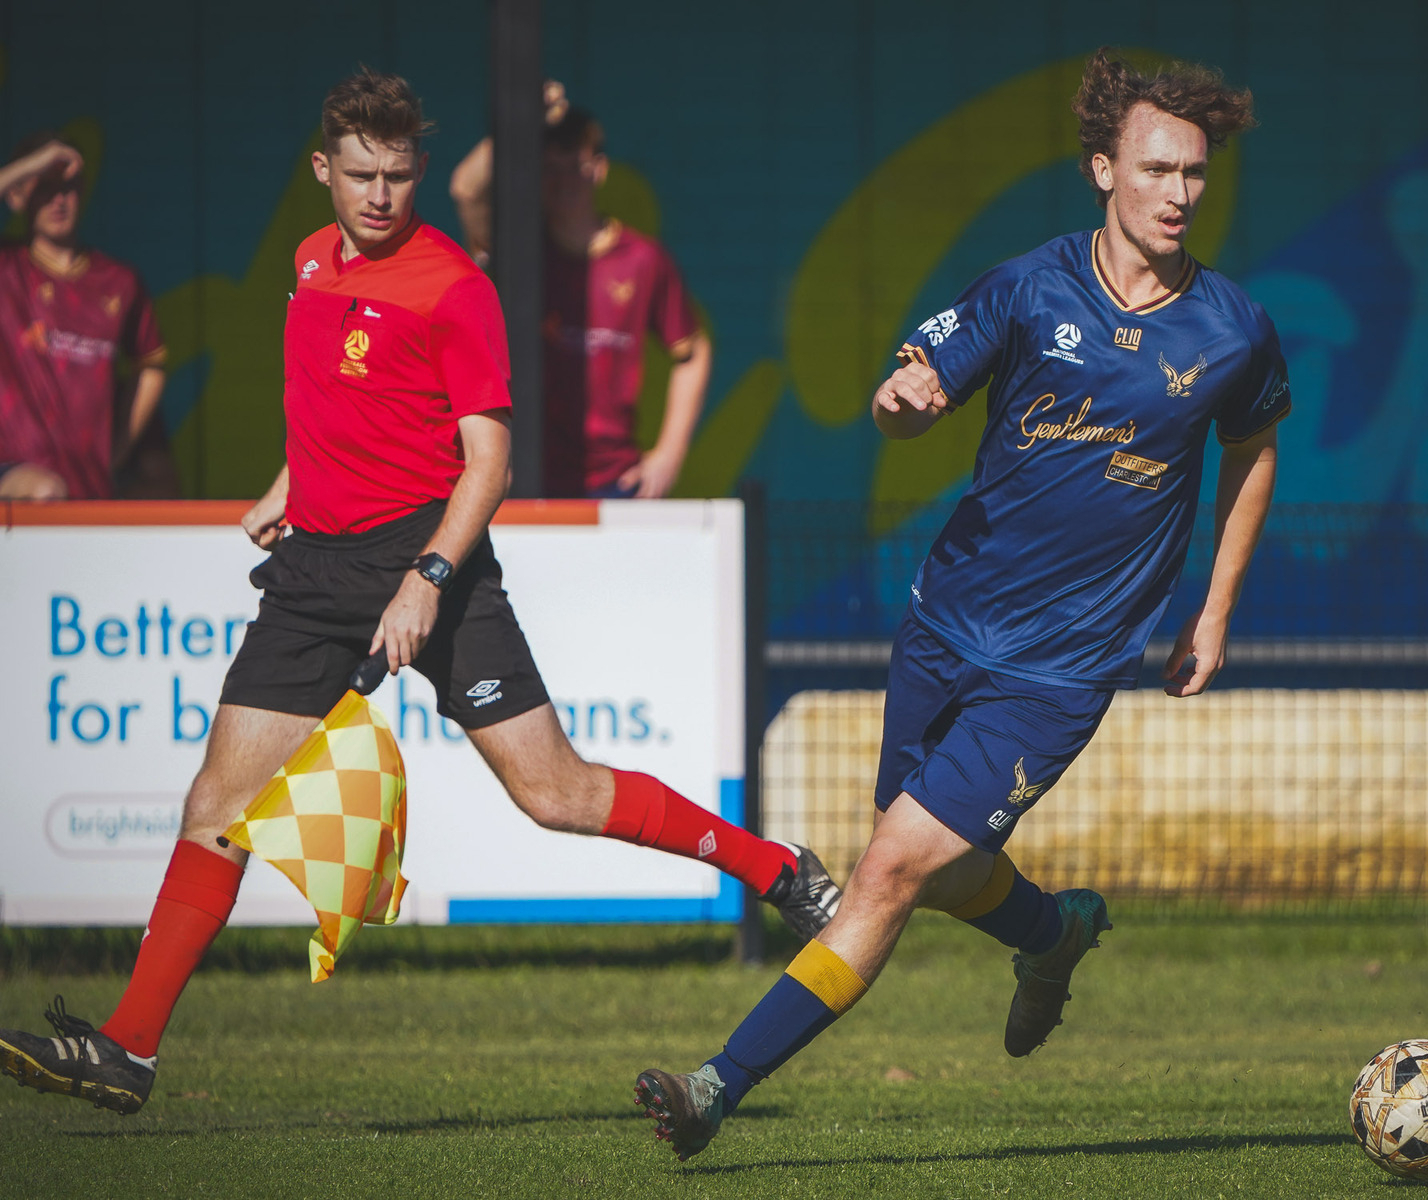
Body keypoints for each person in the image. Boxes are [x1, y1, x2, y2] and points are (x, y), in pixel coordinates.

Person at [0, 69, 837, 1118]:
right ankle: (127, 1050)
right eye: (360, 175)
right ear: (324, 171)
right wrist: (285, 484)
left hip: (430, 558)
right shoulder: (308, 263)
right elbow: (336, 408)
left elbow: (485, 460)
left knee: (554, 795)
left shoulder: (454, 286)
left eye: (398, 176)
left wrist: (429, 579)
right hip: (311, 573)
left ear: (419, 173)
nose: (380, 195)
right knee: (214, 805)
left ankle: (777, 870)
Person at [633, 49, 1289, 1160]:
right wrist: (902, 402)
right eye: (1156, 168)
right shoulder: (1028, 287)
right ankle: (1051, 929)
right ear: (1101, 171)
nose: (1178, 193)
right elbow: (909, 392)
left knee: (889, 869)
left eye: (1194, 173)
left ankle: (714, 1086)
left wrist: (1212, 608)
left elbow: (1253, 451)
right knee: (933, 871)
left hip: (1058, 670)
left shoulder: (1230, 328)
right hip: (944, 625)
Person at [449, 83, 709, 498]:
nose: (564, 179)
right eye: (550, 168)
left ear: (599, 168)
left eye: (575, 164)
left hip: (614, 480)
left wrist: (669, 455)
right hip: (525, 474)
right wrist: (523, 118)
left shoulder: (642, 259)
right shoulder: (519, 252)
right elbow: (466, 188)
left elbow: (692, 353)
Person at [0, 134, 167, 500]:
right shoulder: (7, 268)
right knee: (45, 491)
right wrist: (36, 162)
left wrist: (117, 449)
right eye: (44, 188)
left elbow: (151, 365)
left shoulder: (118, 281)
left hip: (89, 486)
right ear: (16, 196)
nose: (58, 200)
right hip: (17, 479)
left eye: (69, 188)